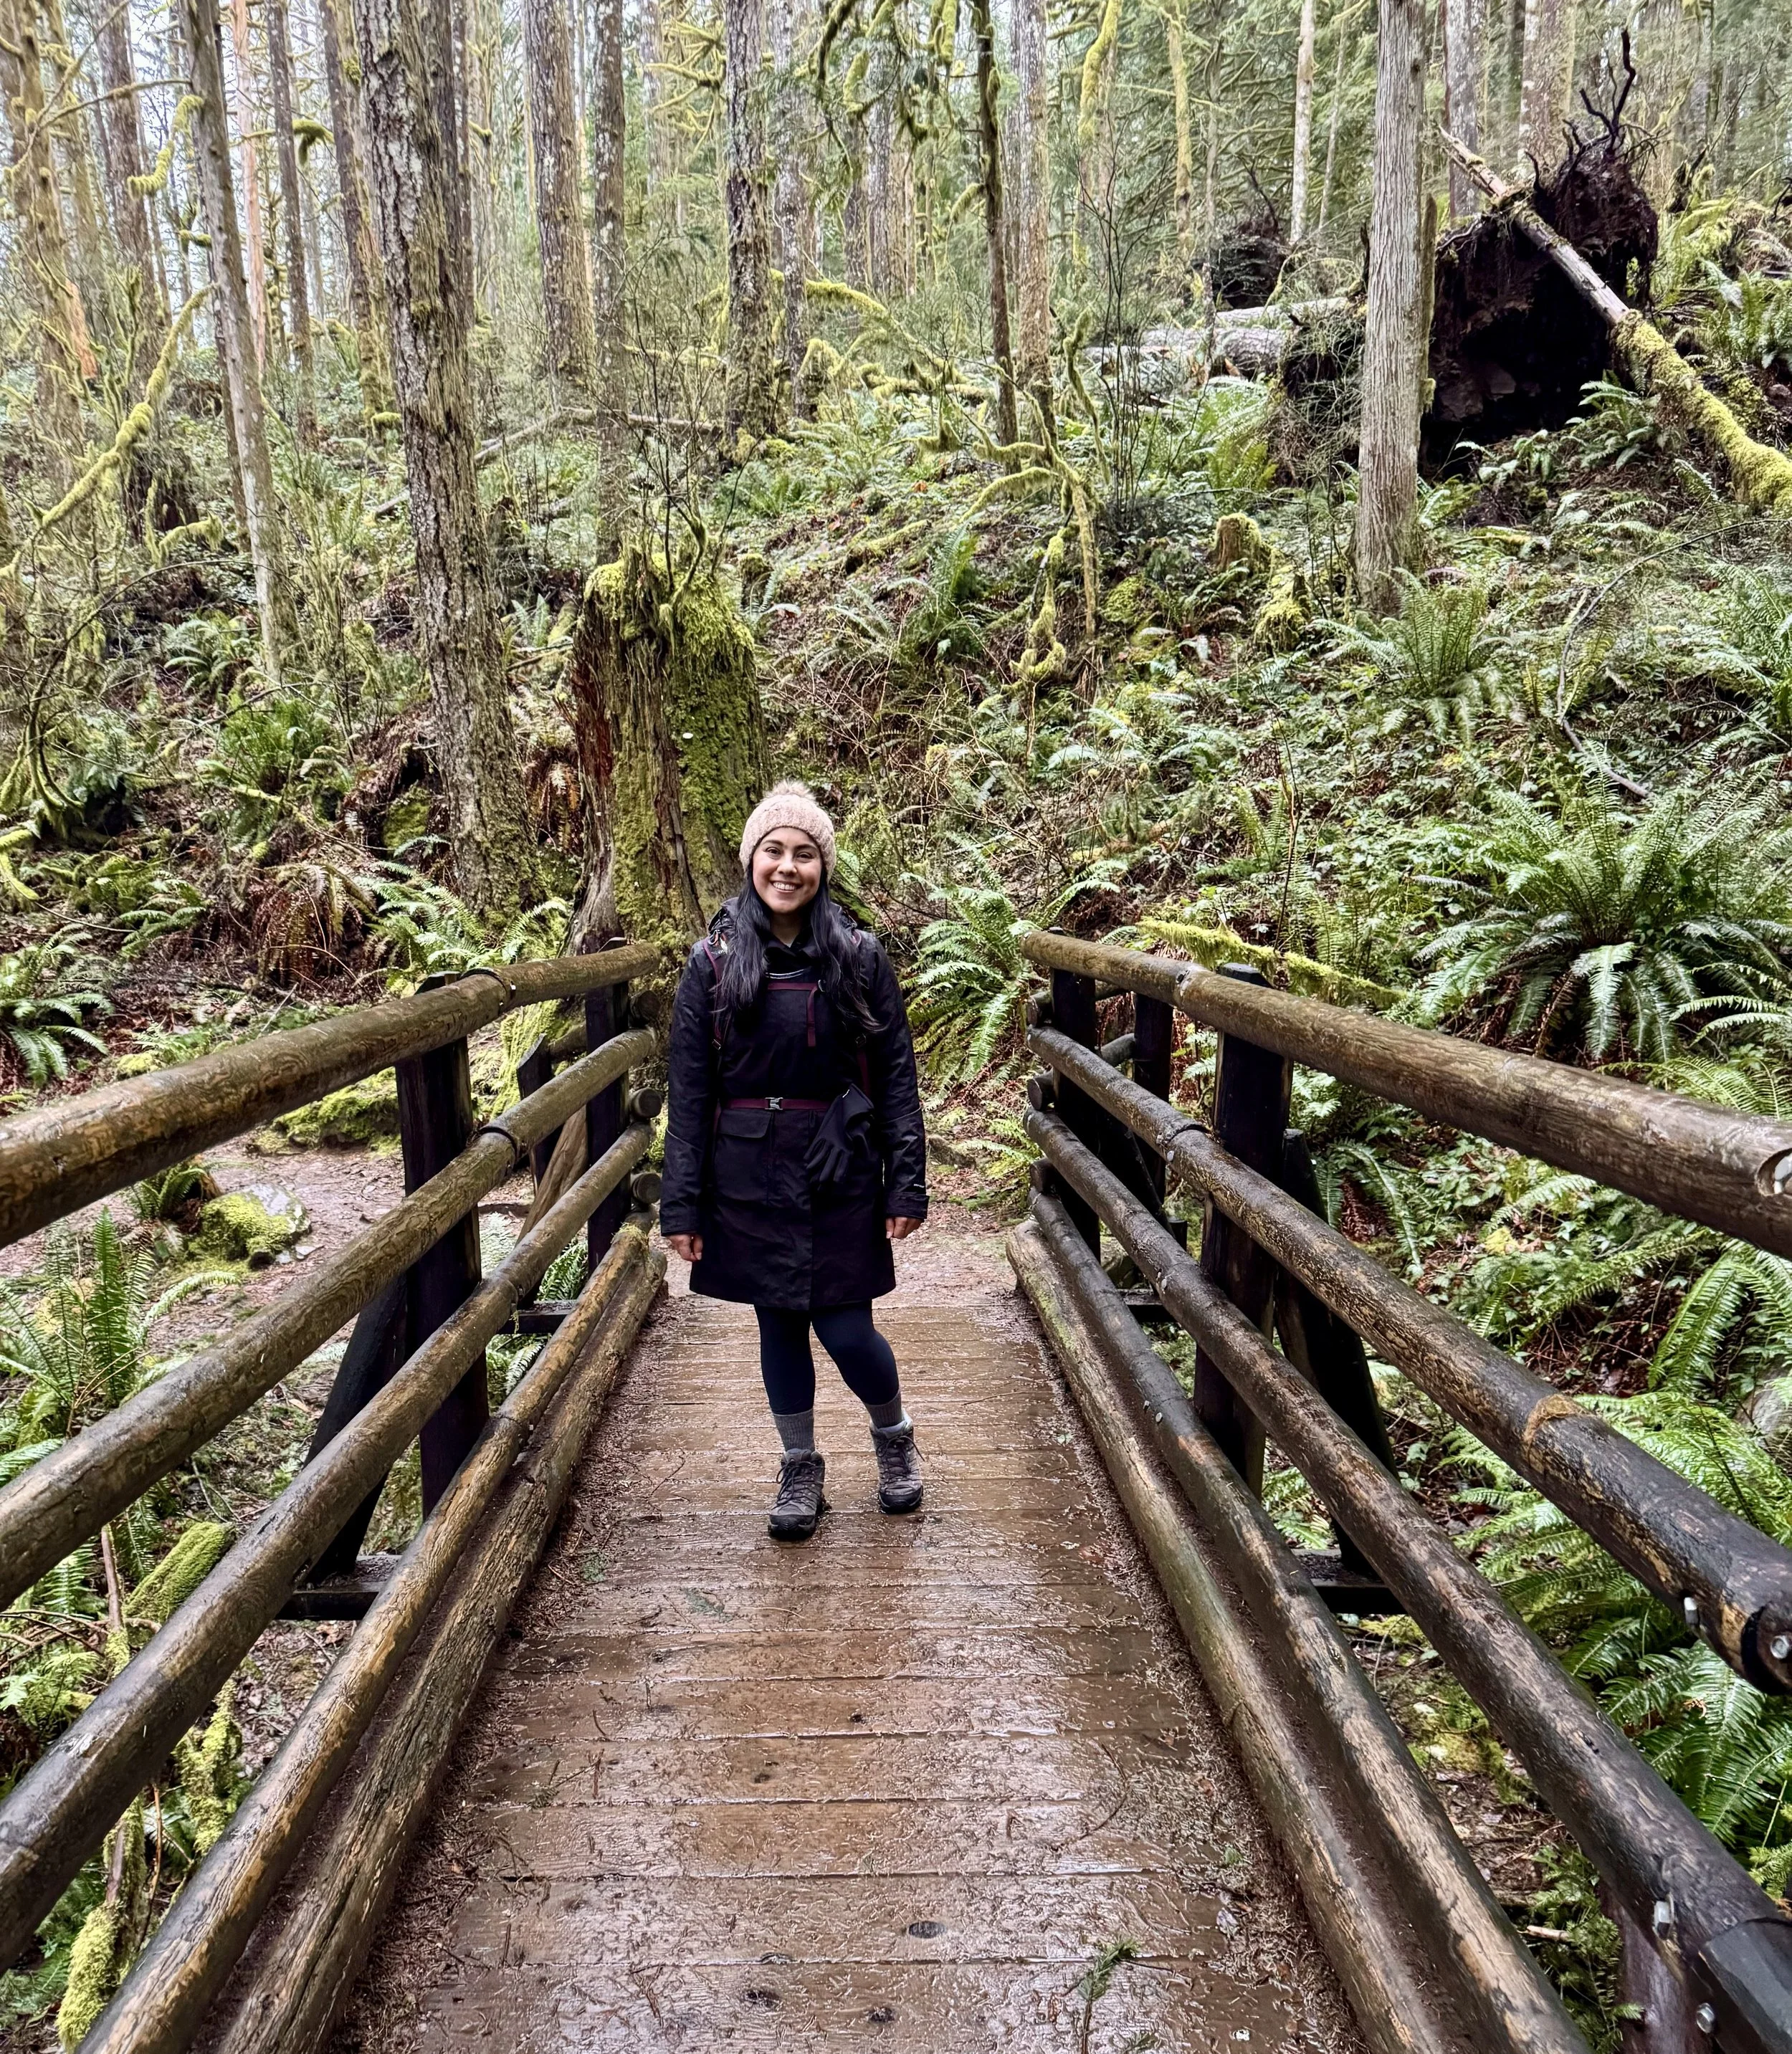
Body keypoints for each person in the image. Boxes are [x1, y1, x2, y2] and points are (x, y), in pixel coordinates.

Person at [661, 781, 928, 1542]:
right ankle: (800, 1463)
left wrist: (905, 1178)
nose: (787, 867)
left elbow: (897, 1075)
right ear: (751, 860)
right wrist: (680, 1203)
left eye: (803, 854)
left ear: (823, 866)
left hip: (838, 1161)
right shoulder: (710, 963)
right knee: (778, 1326)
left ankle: (893, 1437)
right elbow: (690, 1089)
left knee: (846, 1328)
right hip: (744, 1171)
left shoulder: (858, 956)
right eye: (773, 851)